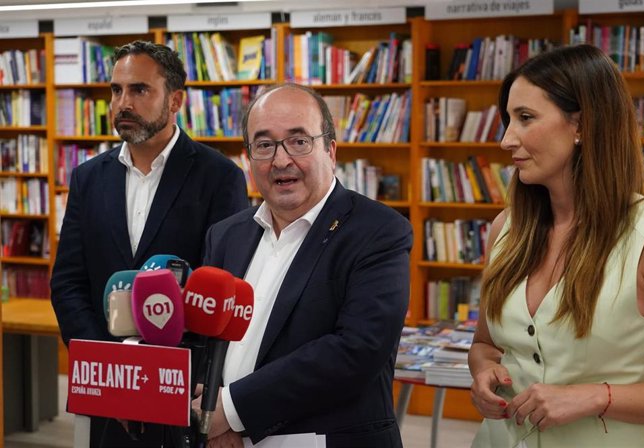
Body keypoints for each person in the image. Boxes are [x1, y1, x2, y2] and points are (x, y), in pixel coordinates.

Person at [468, 44, 644, 447]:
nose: (505, 139)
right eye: (507, 119)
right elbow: (485, 344)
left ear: (582, 126)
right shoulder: (506, 229)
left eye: (525, 118)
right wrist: (483, 371)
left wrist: (596, 396)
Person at [50, 40, 249, 446]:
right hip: (105, 386)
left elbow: (221, 290)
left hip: (183, 391)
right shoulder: (88, 178)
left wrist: (151, 378)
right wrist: (113, 369)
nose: (123, 102)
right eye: (116, 90)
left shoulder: (219, 177)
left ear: (175, 100)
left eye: (140, 90)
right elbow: (68, 283)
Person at [196, 83, 412, 447]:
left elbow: (356, 350)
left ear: (331, 150)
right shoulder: (225, 235)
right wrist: (208, 416)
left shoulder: (379, 231)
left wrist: (230, 412)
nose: (281, 160)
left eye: (299, 141)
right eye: (264, 145)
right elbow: (204, 338)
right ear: (248, 158)